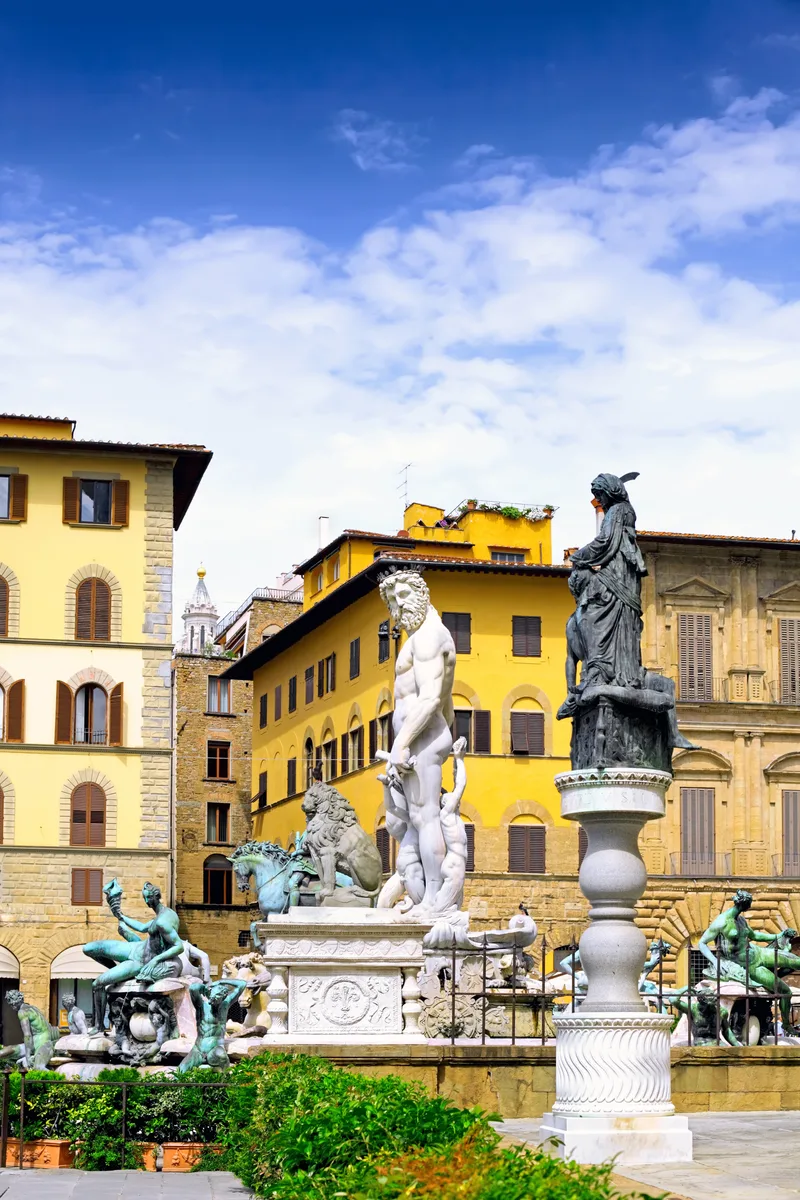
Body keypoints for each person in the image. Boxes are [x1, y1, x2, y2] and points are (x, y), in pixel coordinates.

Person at [377, 569, 456, 915]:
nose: (399, 605)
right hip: (417, 739)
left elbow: (430, 699)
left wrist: (402, 745)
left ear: (423, 594)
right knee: (409, 821)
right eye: (394, 600)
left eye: (406, 595)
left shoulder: (428, 637)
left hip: (417, 739)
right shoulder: (419, 637)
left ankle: (434, 901)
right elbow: (448, 701)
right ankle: (420, 890)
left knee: (426, 818)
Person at [84, 880, 184, 1033]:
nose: (146, 902)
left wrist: (157, 959)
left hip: (140, 961)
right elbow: (143, 928)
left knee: (97, 984)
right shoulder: (163, 914)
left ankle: (99, 1026)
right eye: (144, 898)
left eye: (148, 898)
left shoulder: (164, 921)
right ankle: (117, 972)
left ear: (156, 897)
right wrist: (121, 916)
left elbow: (179, 946)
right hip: (137, 947)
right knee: (89, 948)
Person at [699, 888, 800, 1034]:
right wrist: (715, 962)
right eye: (749, 904)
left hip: (758, 952)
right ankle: (786, 1025)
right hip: (749, 966)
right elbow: (702, 943)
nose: (750, 907)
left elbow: (755, 935)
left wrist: (778, 935)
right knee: (785, 991)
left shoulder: (741, 919)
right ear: (743, 904)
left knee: (796, 962)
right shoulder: (721, 922)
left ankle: (779, 974)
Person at [178, 978, 248, 1073]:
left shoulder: (225, 1005)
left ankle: (225, 1084)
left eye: (217, 996)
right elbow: (193, 988)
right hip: (198, 1049)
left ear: (223, 997)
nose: (214, 997)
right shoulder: (201, 1006)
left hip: (215, 1048)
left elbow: (242, 984)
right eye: (212, 995)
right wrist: (205, 988)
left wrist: (221, 981)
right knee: (181, 1071)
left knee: (223, 1059)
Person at [0, 991, 58, 1069]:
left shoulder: (22, 1012)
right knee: (6, 1051)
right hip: (36, 1042)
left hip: (42, 1043)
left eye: (11, 1004)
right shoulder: (32, 1008)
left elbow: (27, 1035)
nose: (12, 1007)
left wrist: (27, 1056)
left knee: (38, 1067)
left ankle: (57, 1081)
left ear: (15, 1003)